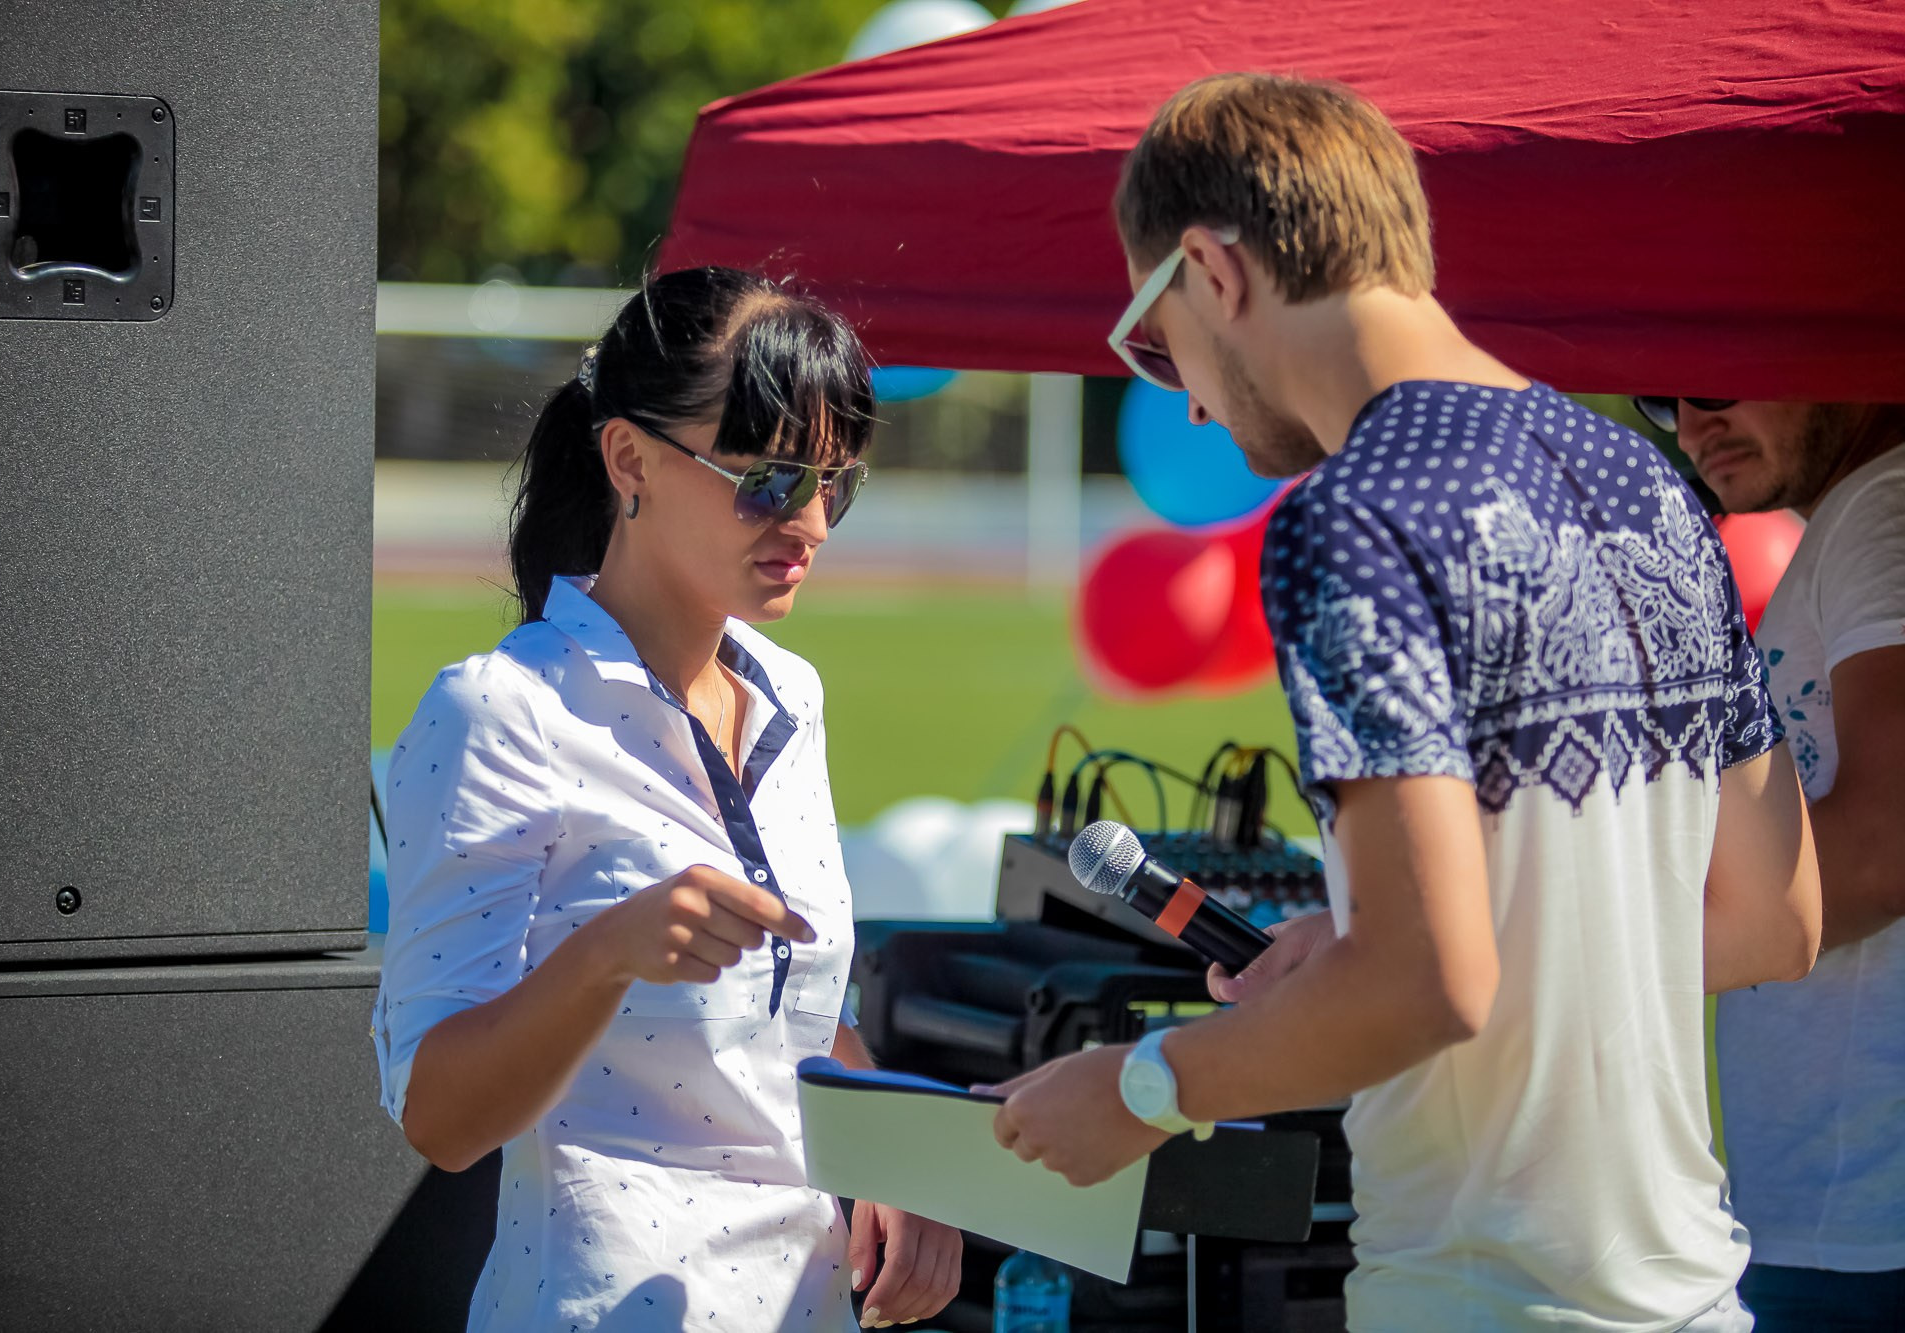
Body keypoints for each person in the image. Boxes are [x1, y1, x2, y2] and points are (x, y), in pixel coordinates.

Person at [987, 74, 1822, 1332]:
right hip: (1694, 1293)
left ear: (1211, 272)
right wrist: (1364, 942)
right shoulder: (1648, 484)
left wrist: (1138, 1085)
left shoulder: (1352, 514)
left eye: (1156, 347)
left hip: (1479, 1295)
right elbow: (1773, 918)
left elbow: (1425, 983)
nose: (1189, 400)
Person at [371, 266, 961, 1333]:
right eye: (770, 478)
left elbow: (794, 1014)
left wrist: (898, 1156)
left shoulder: (791, 694)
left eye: (836, 484)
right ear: (629, 459)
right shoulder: (500, 710)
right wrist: (608, 952)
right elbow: (441, 1120)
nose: (812, 523)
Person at [1640, 395, 1905, 1330]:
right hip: (1842, 1208)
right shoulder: (1861, 512)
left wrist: (1568, 957)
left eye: (1715, 383)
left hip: (1865, 1219)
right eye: (1662, 400)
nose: (1690, 427)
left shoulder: (1885, 505)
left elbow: (1882, 852)